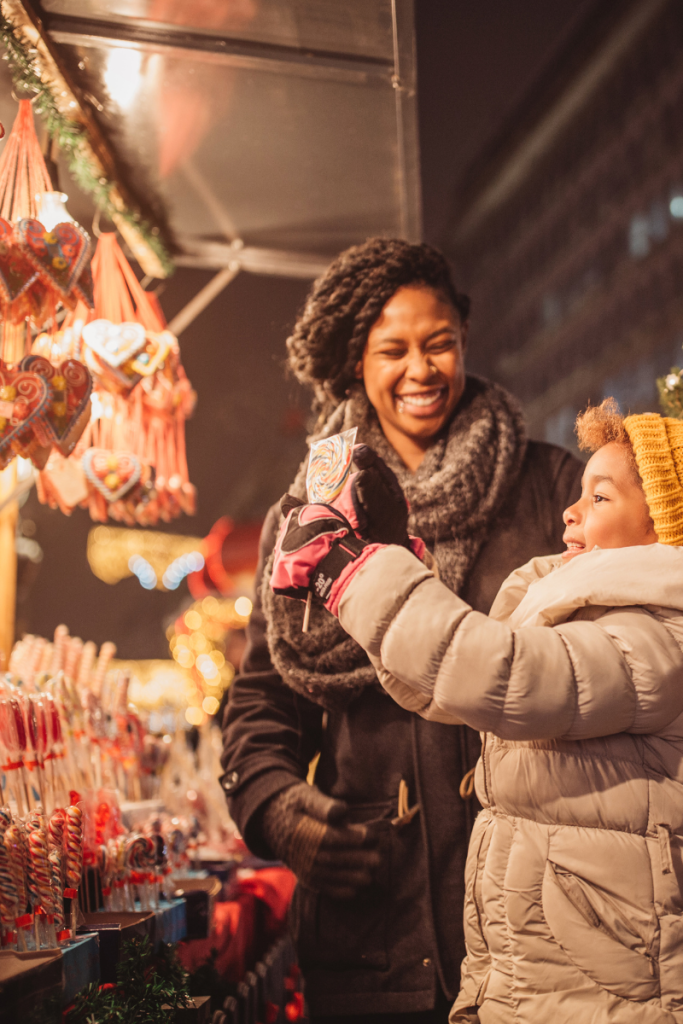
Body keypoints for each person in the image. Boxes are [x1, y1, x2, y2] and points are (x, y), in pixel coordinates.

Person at [220, 238, 582, 1022]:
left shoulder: (553, 488)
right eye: (393, 350)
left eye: (439, 343)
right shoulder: (306, 523)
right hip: (374, 935)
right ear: (356, 364)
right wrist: (279, 810)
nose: (421, 370)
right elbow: (258, 704)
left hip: (540, 926)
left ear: (464, 341)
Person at [270, 398, 683, 1023]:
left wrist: (351, 572)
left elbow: (501, 673)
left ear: (665, 527)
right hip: (548, 964)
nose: (571, 510)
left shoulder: (652, 637)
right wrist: (388, 561)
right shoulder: (587, 613)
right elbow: (449, 685)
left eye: (600, 499)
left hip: (604, 983)